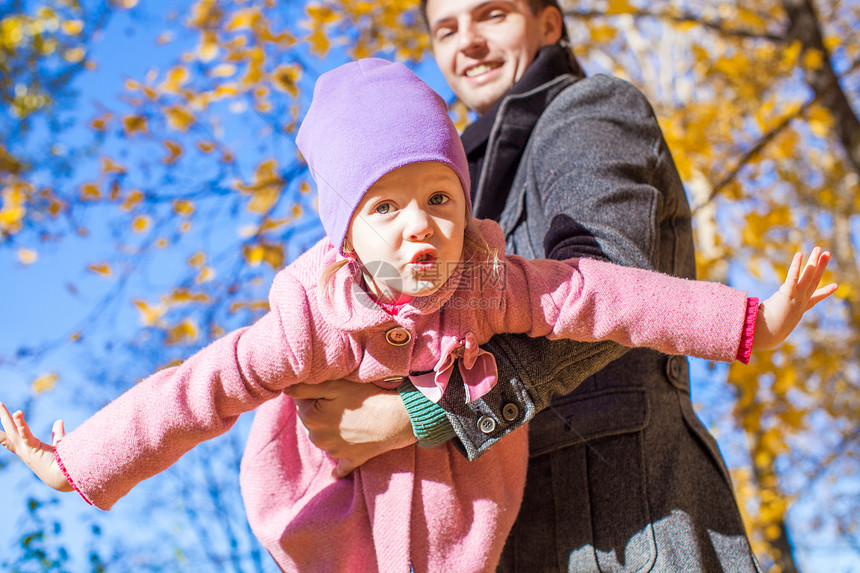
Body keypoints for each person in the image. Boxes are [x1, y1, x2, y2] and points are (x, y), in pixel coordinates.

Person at [0, 60, 835, 573]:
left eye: (439, 198)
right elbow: (194, 392)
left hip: (471, 516)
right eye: (386, 207)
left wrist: (752, 318)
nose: (419, 224)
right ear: (346, 233)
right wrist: (78, 463)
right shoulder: (312, 318)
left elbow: (607, 292)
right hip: (337, 516)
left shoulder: (489, 280)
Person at [281, 1, 819, 571]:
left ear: (548, 23)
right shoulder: (443, 180)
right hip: (516, 532)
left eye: (492, 15)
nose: (468, 43)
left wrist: (422, 414)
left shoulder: (586, 110)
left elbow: (608, 285)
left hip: (624, 524)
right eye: (446, 29)